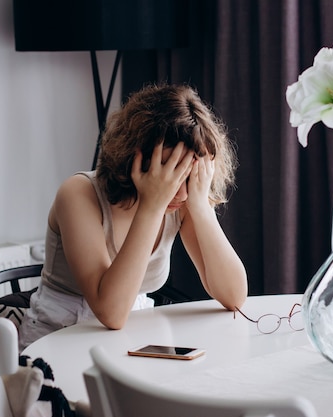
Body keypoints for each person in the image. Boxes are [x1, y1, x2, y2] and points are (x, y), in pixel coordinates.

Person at [18, 83, 247, 350]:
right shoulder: (79, 195)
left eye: (190, 174)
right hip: (58, 339)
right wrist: (152, 205)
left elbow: (234, 297)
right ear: (137, 159)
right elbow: (111, 312)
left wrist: (201, 207)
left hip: (133, 336)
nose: (183, 193)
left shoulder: (185, 201)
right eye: (172, 172)